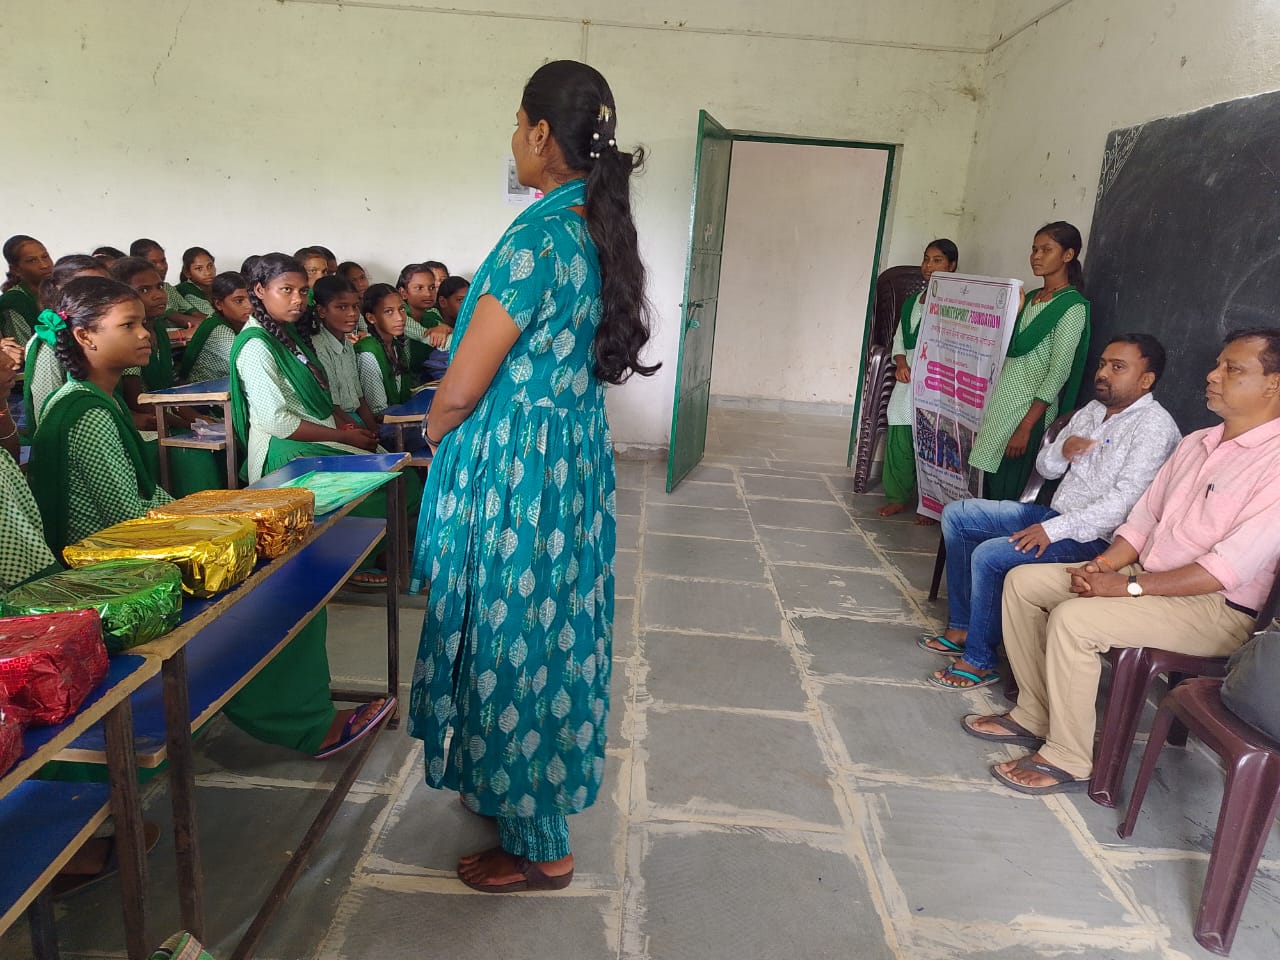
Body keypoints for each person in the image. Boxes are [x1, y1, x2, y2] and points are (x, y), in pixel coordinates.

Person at [410, 60, 658, 892]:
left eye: (519, 125)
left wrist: (435, 431)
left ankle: (540, 843)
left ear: (542, 133)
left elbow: (463, 385)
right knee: (549, 630)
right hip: (567, 466)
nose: (515, 139)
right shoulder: (597, 229)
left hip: (513, 473)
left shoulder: (535, 239)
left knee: (507, 638)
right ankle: (509, 787)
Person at [29, 275, 392, 757]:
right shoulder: (87, 412)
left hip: (124, 556)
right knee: (274, 595)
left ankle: (297, 709)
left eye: (142, 323)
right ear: (84, 336)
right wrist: (218, 524)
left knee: (272, 564)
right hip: (115, 577)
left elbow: (145, 503)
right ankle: (303, 724)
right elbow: (130, 522)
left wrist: (217, 512)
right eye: (128, 325)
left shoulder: (94, 399)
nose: (145, 334)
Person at [965, 328, 1280, 794]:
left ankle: (1069, 756)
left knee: (1074, 620)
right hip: (1147, 576)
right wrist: (1106, 567)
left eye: (1232, 369)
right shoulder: (1197, 442)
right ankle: (1034, 712)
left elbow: (1226, 569)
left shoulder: (1274, 463)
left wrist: (1128, 587)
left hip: (1217, 608)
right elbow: (1143, 520)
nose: (1212, 376)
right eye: (1217, 365)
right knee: (1024, 583)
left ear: (1274, 384)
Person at [922, 334, 1181, 690]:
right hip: (1053, 517)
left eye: (1117, 367)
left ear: (1146, 379)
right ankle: (964, 627)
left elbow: (1123, 504)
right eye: (1103, 364)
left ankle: (980, 660)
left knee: (991, 556)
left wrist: (1053, 531)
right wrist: (1063, 450)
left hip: (1098, 541)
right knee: (958, 516)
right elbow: (1046, 468)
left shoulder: (1154, 427)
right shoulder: (1092, 411)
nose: (1103, 373)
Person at [968, 222, 1091, 500]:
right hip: (1002, 405)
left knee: (1009, 488)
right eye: (1034, 249)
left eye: (1046, 250)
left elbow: (1058, 372)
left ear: (1068, 255)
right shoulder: (1032, 298)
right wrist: (1014, 314)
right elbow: (1007, 350)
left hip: (1028, 413)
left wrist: (1026, 427)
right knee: (988, 484)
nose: (1036, 256)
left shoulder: (1072, 307)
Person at [879, 240, 958, 523]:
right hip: (909, 375)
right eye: (926, 259)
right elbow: (900, 338)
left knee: (932, 439)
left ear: (952, 266)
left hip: (936, 380)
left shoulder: (956, 304)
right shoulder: (914, 301)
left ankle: (932, 504)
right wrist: (901, 363)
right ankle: (897, 496)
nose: (928, 266)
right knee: (899, 426)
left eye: (937, 260)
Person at [25, 254, 110, 431]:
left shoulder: (100, 334)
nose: (103, 296)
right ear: (60, 292)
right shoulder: (48, 344)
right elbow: (48, 417)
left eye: (106, 288)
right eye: (89, 289)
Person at [310, 275, 377, 428]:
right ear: (321, 311)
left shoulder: (347, 344)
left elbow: (359, 397)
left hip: (354, 419)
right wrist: (362, 433)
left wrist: (373, 429)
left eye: (355, 306)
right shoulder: (319, 348)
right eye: (342, 307)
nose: (352, 313)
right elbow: (332, 407)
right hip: (337, 423)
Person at [178, 271, 252, 382]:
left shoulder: (239, 322)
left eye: (251, 298)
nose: (249, 306)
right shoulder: (219, 330)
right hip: (203, 389)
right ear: (218, 304)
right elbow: (251, 363)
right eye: (239, 301)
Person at [356, 283, 412, 418]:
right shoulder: (368, 353)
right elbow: (379, 412)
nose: (399, 318)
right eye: (389, 311)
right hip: (386, 423)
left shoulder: (396, 345)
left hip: (401, 416)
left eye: (401, 309)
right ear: (371, 318)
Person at [129, 239, 208, 331]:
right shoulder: (135, 292)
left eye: (163, 261)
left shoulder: (168, 288)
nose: (162, 267)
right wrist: (210, 326)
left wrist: (214, 323)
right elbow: (179, 319)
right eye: (153, 263)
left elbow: (193, 312)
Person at [1, 235, 54, 342]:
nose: (44, 265)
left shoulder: (60, 290)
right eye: (32, 261)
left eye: (45, 256)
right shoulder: (12, 301)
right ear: (16, 269)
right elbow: (22, 348)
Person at [397, 263, 442, 377]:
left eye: (432, 287)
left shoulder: (433, 315)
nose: (428, 294)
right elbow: (446, 341)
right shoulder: (399, 317)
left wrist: (445, 329)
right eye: (419, 288)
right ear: (403, 293)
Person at [176, 246, 216, 315]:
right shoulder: (185, 290)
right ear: (188, 273)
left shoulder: (217, 286)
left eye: (210, 266)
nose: (208, 273)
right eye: (199, 268)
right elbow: (211, 316)